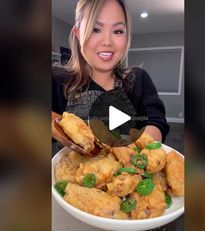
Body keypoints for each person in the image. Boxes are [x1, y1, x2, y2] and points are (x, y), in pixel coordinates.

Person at [52, 0, 169, 143]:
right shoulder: (56, 79)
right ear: (77, 34)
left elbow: (156, 122)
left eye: (118, 31)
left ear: (127, 37)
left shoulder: (138, 78)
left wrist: (130, 153)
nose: (107, 41)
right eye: (95, 29)